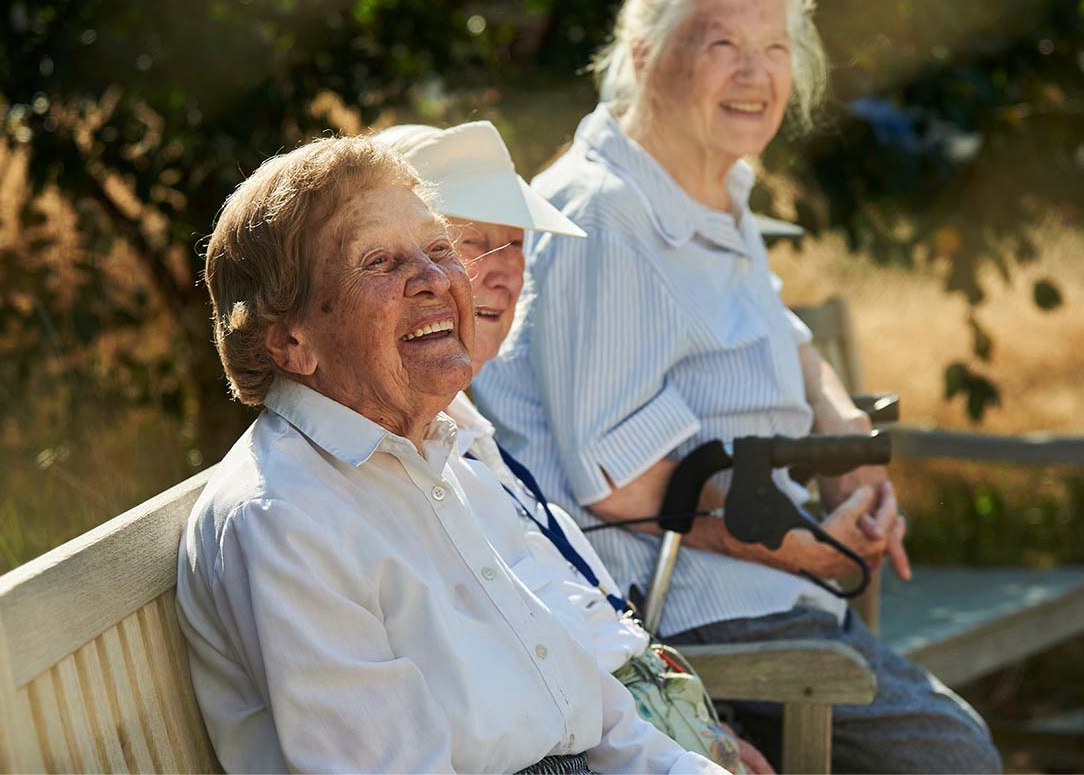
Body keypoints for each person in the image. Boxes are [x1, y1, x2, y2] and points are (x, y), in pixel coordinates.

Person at [471, 0, 1003, 772]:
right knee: (951, 757)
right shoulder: (602, 215)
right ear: (645, 55)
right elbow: (625, 484)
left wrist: (842, 428)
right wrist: (812, 550)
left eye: (776, 49)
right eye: (723, 45)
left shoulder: (709, 187)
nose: (755, 74)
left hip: (771, 594)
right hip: (682, 616)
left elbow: (782, 333)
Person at [175, 135, 725, 774]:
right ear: (292, 343)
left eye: (438, 250)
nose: (437, 279)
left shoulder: (440, 464)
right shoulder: (284, 517)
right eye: (379, 261)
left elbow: (596, 719)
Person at [376, 119, 771, 775]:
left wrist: (697, 733)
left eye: (517, 244)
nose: (504, 270)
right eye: (472, 242)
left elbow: (574, 633)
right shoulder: (410, 457)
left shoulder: (468, 433)